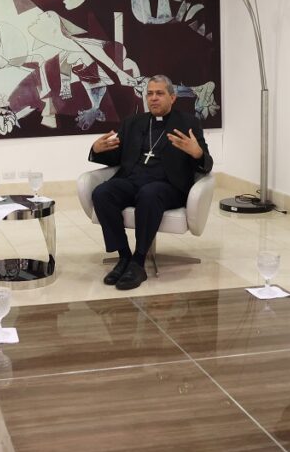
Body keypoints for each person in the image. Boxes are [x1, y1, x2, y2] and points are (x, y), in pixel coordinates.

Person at [88, 74, 213, 290]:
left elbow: (206, 163)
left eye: (160, 93)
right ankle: (124, 256)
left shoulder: (188, 123)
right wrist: (96, 150)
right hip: (132, 181)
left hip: (168, 186)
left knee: (150, 193)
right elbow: (116, 157)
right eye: (150, 94)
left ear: (172, 98)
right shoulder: (132, 122)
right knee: (102, 193)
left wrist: (197, 153)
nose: (153, 98)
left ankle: (138, 262)